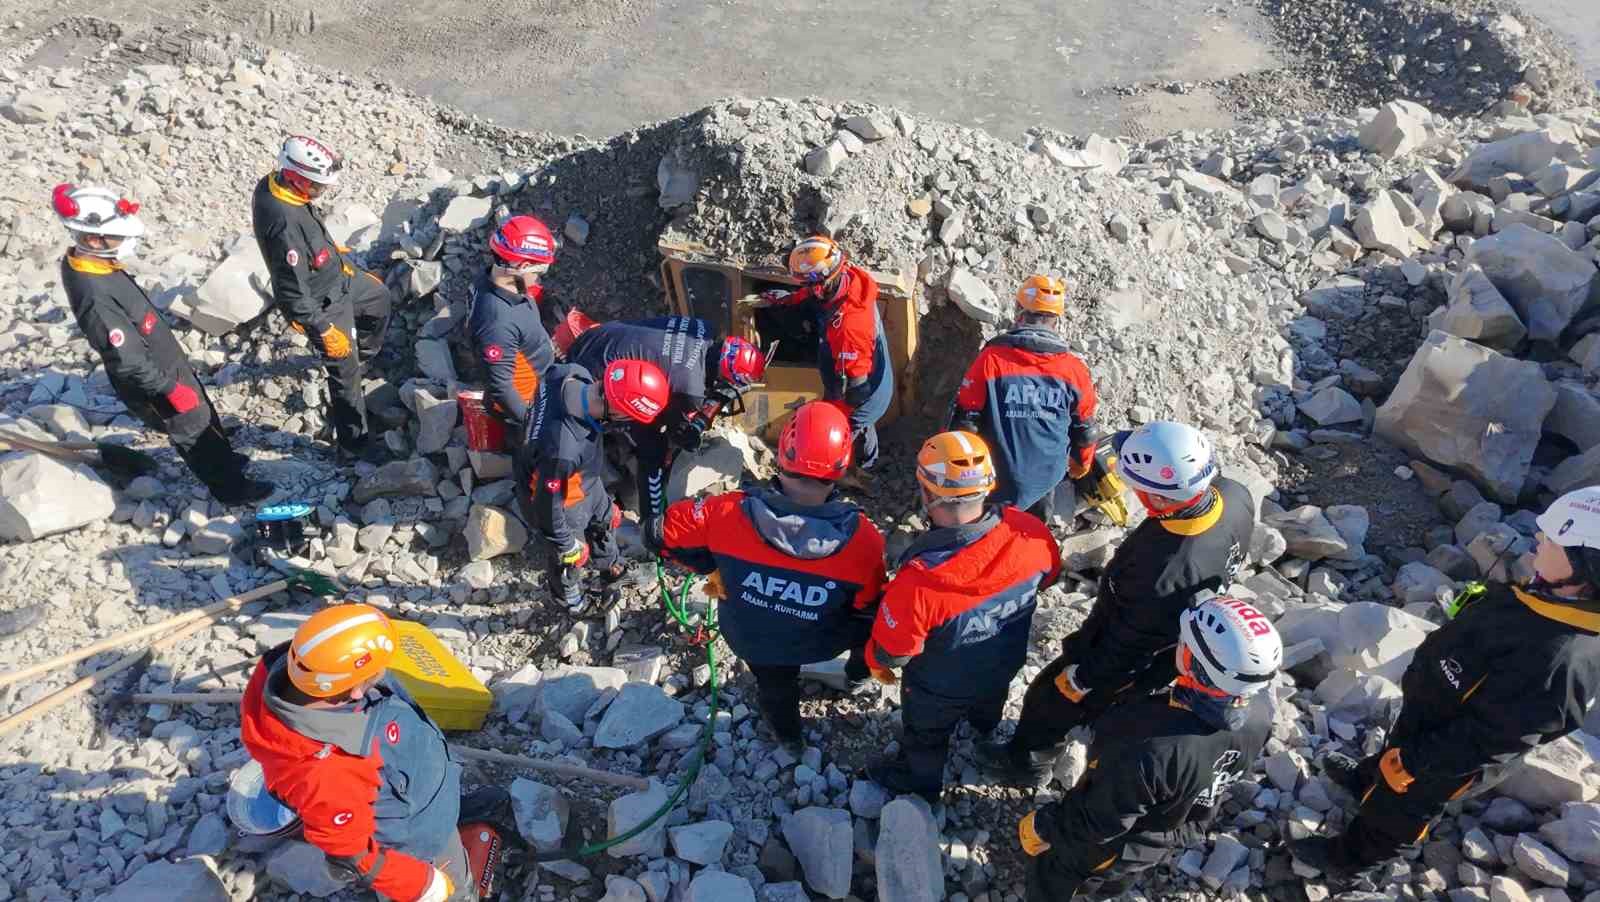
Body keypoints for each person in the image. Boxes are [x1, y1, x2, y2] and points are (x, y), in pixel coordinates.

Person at [1289, 486, 1600, 876]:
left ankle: (1354, 857)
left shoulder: (1562, 660)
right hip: (1434, 708)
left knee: (1405, 801)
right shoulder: (1551, 597)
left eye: (1553, 540)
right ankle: (1363, 781)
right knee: (1392, 754)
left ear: (1586, 566)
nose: (1539, 539)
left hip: (1445, 754)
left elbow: (1490, 740)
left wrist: (1418, 762)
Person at [982, 421, 1255, 786]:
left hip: (1131, 657)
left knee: (1050, 698)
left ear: (1158, 497)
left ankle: (1028, 766)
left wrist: (1083, 678)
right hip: (1173, 639)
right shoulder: (1234, 496)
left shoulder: (1163, 571)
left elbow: (1126, 648)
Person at [1019, 595, 1282, 901]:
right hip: (1171, 828)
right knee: (1117, 875)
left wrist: (1049, 826)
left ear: (1193, 662)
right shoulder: (1261, 711)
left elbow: (1102, 821)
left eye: (1185, 642)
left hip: (1117, 840)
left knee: (1063, 876)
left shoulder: (1149, 747)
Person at [657, 400, 886, 746]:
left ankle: (789, 739)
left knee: (774, 686)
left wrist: (708, 565)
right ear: (842, 467)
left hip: (752, 638)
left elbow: (662, 534)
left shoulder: (726, 513)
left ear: (783, 455)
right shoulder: (864, 540)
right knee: (873, 619)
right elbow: (868, 603)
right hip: (822, 640)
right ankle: (856, 676)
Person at [863, 430, 1060, 800]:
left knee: (925, 735)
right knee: (989, 699)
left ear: (927, 493)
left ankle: (920, 784)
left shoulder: (920, 582)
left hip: (939, 690)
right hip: (1003, 664)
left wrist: (875, 662)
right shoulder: (1030, 531)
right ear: (988, 485)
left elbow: (895, 653)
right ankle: (982, 727)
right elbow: (1049, 578)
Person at [54, 183, 273, 505]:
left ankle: (224, 460)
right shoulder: (94, 295)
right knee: (191, 427)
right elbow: (127, 361)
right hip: (156, 379)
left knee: (205, 416)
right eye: (117, 237)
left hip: (165, 361)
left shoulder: (94, 262)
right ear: (90, 237)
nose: (124, 243)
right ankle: (230, 489)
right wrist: (169, 389)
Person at [239, 604, 473, 902]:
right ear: (355, 691)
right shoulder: (330, 768)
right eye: (376, 673)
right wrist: (422, 884)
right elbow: (353, 853)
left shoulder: (289, 668)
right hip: (416, 836)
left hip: (415, 787)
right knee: (454, 892)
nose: (383, 675)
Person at [567, 315, 766, 549]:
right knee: (654, 448)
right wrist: (690, 427)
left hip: (594, 339)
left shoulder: (703, 326)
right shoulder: (689, 389)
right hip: (593, 377)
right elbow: (676, 430)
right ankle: (650, 524)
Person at [253, 135, 394, 461]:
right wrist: (322, 329)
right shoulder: (282, 224)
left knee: (379, 299)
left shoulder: (279, 184)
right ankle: (354, 445)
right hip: (321, 303)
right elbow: (291, 289)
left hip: (337, 275)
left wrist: (332, 255)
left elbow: (309, 231)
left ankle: (366, 355)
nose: (323, 192)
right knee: (344, 376)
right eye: (317, 187)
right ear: (296, 178)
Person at [515, 358, 670, 611]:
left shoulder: (572, 373)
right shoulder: (563, 448)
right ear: (617, 410)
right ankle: (571, 601)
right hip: (564, 501)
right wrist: (565, 542)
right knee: (570, 558)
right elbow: (546, 503)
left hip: (586, 479)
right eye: (628, 417)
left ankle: (612, 568)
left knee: (608, 518)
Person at [948, 275, 1097, 523]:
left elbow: (965, 421)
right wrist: (1081, 466)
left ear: (1019, 312)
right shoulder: (1074, 370)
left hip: (994, 479)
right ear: (1056, 321)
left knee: (985, 535)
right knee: (1029, 533)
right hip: (1045, 479)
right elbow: (1085, 431)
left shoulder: (992, 359)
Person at [741, 236, 893, 471]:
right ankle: (865, 463)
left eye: (807, 284)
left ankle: (847, 471)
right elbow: (814, 292)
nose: (807, 288)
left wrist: (828, 418)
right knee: (858, 424)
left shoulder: (848, 328)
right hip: (860, 371)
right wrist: (786, 299)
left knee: (842, 433)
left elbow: (856, 392)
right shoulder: (846, 277)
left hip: (865, 391)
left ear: (821, 282)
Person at [468, 215, 559, 440]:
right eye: (539, 271)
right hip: (528, 399)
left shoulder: (492, 279)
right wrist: (535, 425)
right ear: (523, 266)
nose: (539, 278)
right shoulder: (497, 323)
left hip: (534, 370)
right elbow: (501, 388)